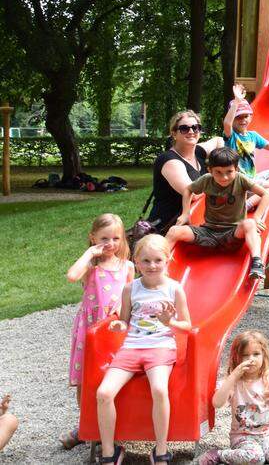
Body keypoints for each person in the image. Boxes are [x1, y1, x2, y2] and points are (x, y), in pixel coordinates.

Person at [96, 234, 191, 465]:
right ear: (136, 262)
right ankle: (110, 452)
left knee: (159, 389)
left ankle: (160, 450)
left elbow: (187, 325)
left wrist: (170, 323)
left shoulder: (174, 289)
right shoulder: (131, 289)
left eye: (158, 260)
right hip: (132, 347)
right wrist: (120, 324)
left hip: (161, 347)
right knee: (103, 393)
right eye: (146, 261)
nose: (152, 266)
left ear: (167, 260)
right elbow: (125, 320)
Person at [63, 214, 133, 450]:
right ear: (93, 238)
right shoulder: (90, 266)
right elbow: (72, 276)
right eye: (104, 238)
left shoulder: (127, 267)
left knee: (110, 375)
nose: (110, 243)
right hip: (89, 328)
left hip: (113, 330)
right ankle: (85, 425)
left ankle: (112, 425)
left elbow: (129, 299)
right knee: (85, 378)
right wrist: (90, 253)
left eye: (116, 238)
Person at [199, 331, 269, 465]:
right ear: (236, 358)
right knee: (256, 458)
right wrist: (234, 375)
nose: (251, 359)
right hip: (243, 436)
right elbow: (217, 403)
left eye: (256, 354)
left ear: (264, 355)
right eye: (245, 355)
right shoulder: (232, 382)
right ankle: (218, 454)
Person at [166, 146, 269, 280]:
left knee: (249, 223)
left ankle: (257, 262)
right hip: (208, 233)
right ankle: (159, 262)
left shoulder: (240, 179)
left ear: (236, 169)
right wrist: (186, 213)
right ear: (210, 170)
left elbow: (266, 194)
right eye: (218, 172)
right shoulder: (206, 180)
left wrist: (257, 217)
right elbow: (188, 190)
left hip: (232, 235)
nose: (225, 177)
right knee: (174, 231)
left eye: (229, 171)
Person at [147, 110, 225, 234]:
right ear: (174, 133)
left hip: (197, 222)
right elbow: (192, 193)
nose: (191, 132)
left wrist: (222, 160)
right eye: (184, 128)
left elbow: (218, 140)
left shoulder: (198, 152)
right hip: (168, 227)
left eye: (196, 128)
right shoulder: (169, 160)